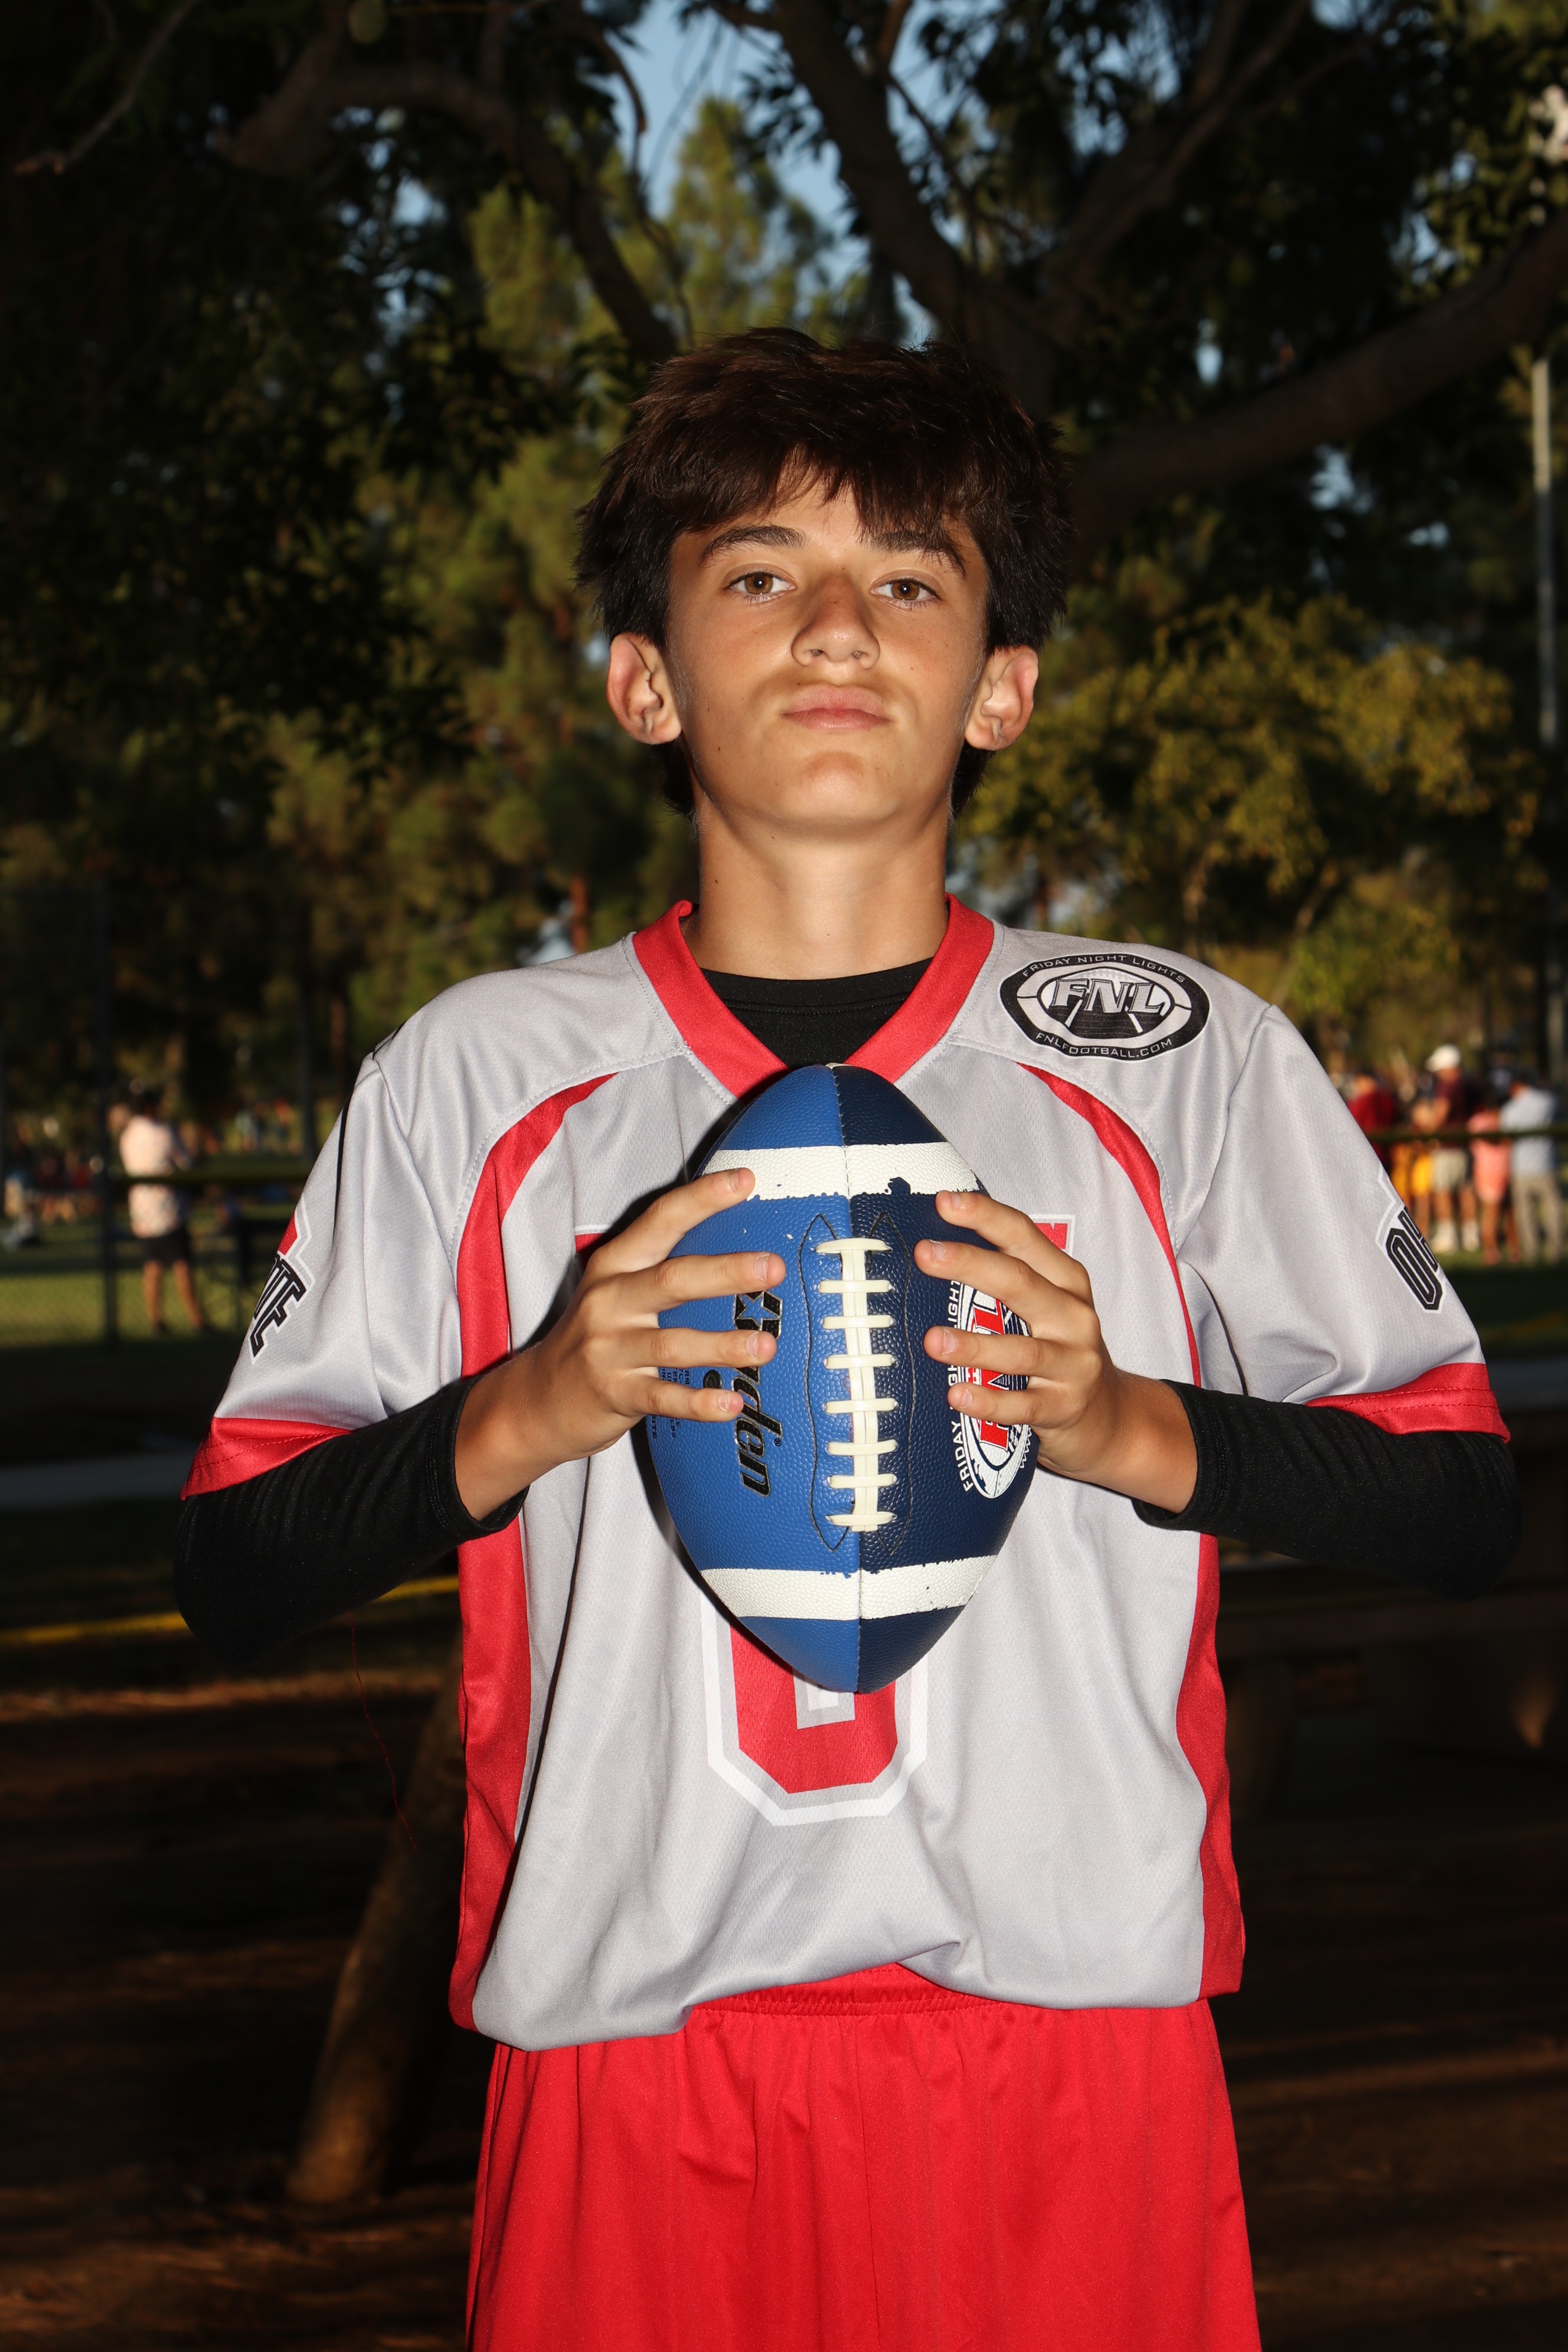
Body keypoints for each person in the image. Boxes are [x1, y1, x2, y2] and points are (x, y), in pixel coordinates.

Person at [175, 334, 1519, 2352]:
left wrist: (1127, 1423)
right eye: (757, 572)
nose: (833, 627)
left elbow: (1461, 1502)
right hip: (633, 2074)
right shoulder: (478, 1077)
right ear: (642, 679)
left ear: (1002, 683)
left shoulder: (1179, 1058)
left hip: (1075, 2055)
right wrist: (536, 1402)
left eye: (907, 577)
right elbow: (230, 1562)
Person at [119, 1087, 205, 1334]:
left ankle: (156, 1320)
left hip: (141, 1211)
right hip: (168, 1210)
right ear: (150, 1107)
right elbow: (185, 1162)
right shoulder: (163, 1132)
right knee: (181, 1264)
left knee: (152, 1265)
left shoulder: (128, 1135)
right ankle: (197, 1320)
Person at [1500, 1069, 1563, 1265]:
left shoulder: (1510, 1109)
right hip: (1546, 1164)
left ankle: (1531, 1254)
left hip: (1522, 1168)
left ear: (1515, 1086)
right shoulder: (1548, 1102)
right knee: (1552, 1210)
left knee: (1525, 1215)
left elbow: (1507, 1139)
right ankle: (1556, 1253)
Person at [1423, 1044, 1479, 1255]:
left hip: (1447, 1146)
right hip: (1465, 1145)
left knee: (1443, 1192)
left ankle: (1449, 1236)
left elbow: (1440, 1117)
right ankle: (1471, 1235)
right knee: (1466, 1191)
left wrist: (1425, 1120)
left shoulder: (1448, 1088)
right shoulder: (1469, 1085)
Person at [1467, 1090, 1515, 1266]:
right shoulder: (1479, 1122)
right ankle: (1491, 1251)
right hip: (1488, 1173)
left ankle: (1513, 1249)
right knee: (1491, 1214)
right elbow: (1488, 1137)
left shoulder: (1506, 1119)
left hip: (1507, 1170)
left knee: (1510, 1214)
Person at [1345, 1067, 1399, 1168]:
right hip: (1386, 1156)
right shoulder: (1389, 1100)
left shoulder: (1360, 1103)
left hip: (1365, 1157)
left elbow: (1349, 1127)